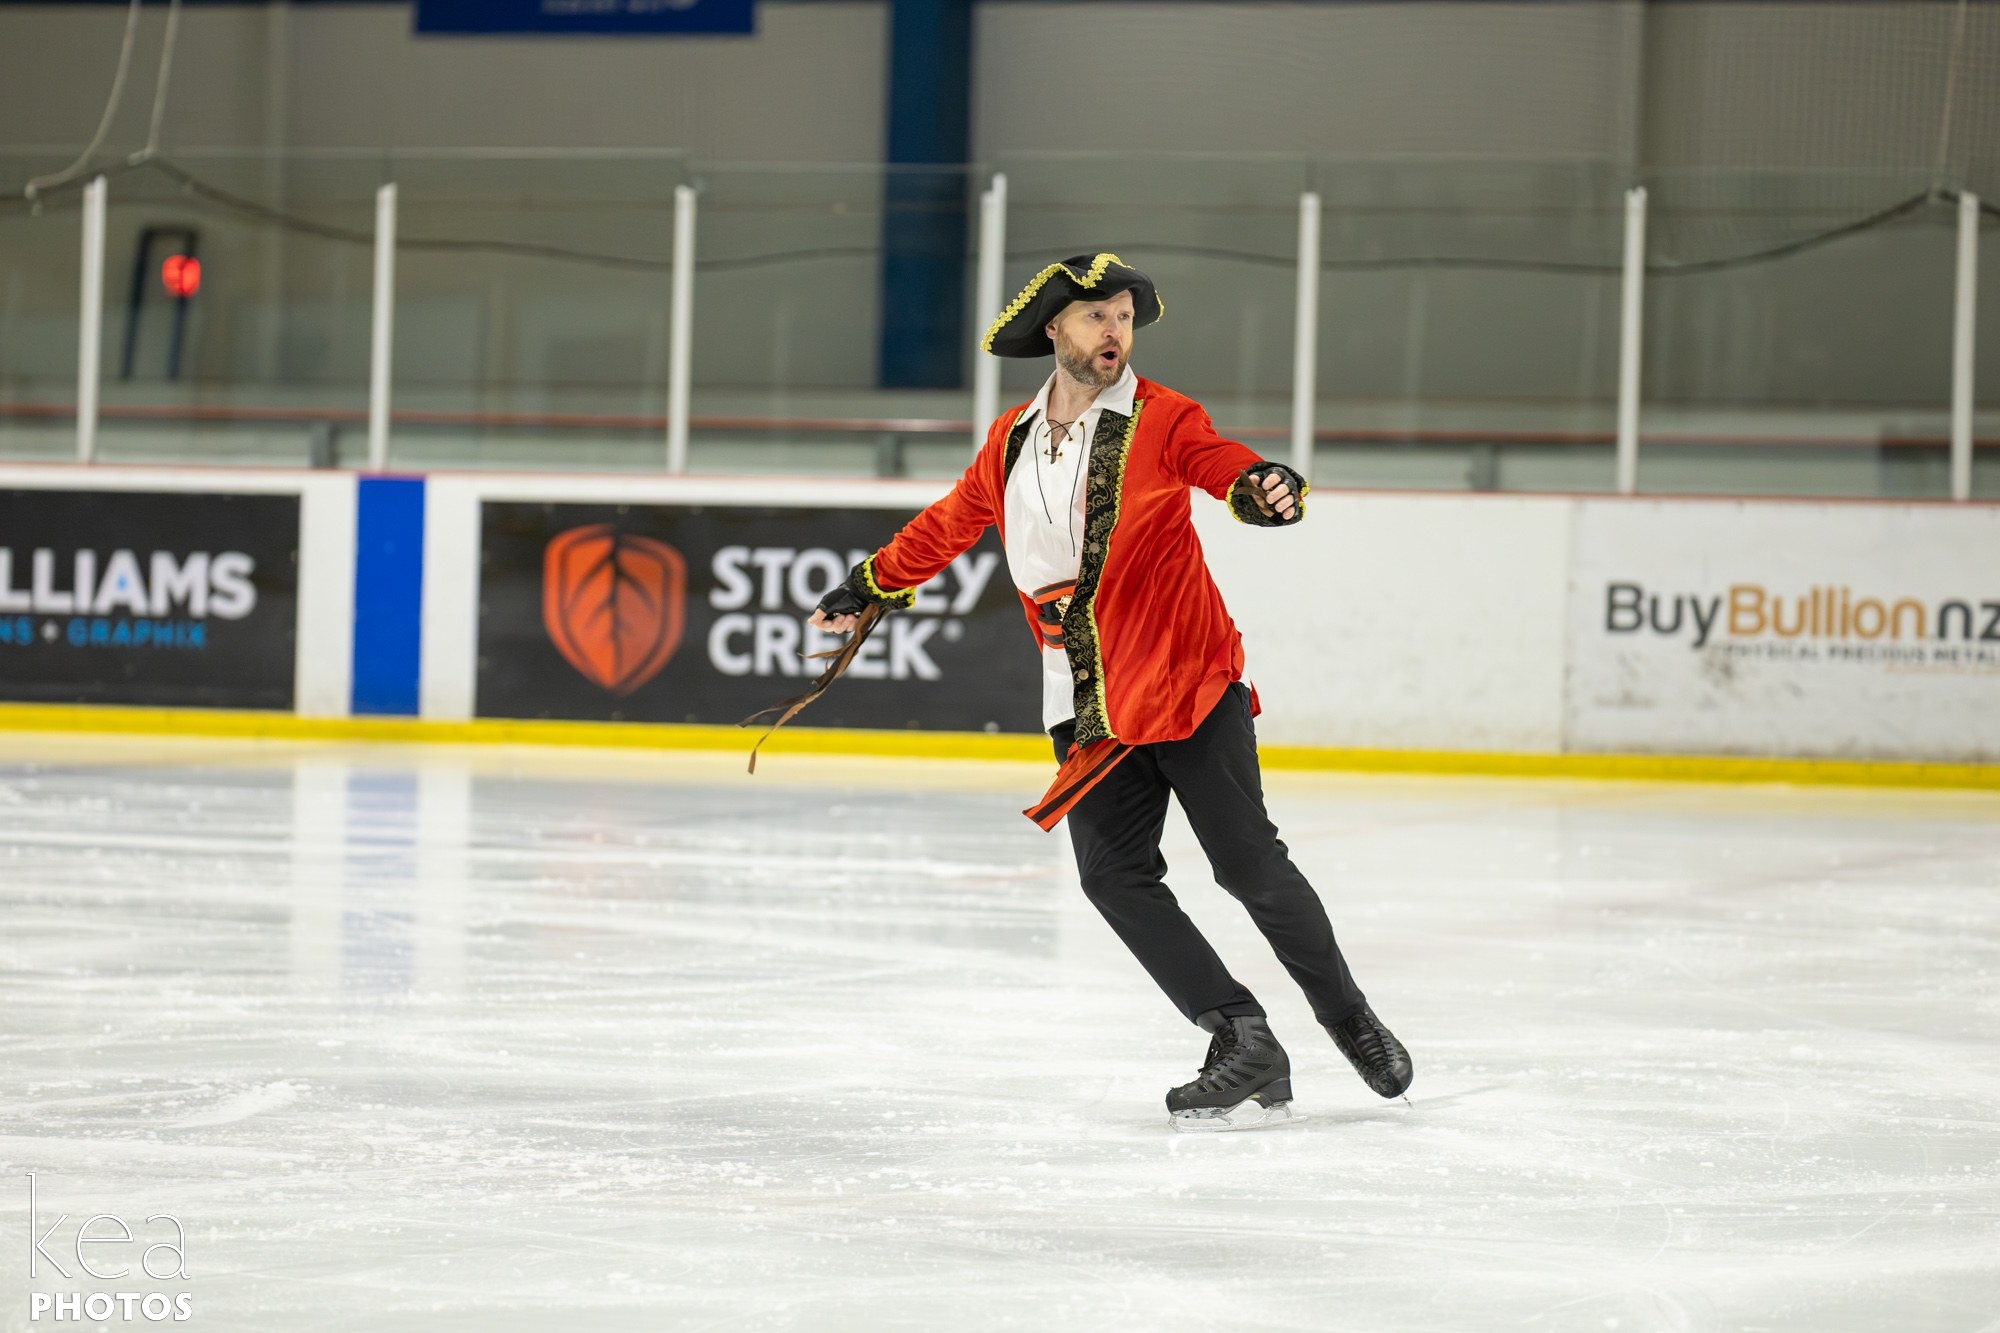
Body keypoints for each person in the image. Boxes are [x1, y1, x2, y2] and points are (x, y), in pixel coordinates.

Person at [810, 254, 1412, 1130]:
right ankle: (1241, 1033)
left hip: (1183, 674)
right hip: (1086, 697)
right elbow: (950, 522)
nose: (1115, 332)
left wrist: (1258, 484)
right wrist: (869, 583)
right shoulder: (1012, 439)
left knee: (1248, 864)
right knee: (1113, 876)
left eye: (1125, 317)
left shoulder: (1163, 417)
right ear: (1054, 327)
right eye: (1098, 316)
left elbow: (1219, 462)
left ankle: (1349, 1018)